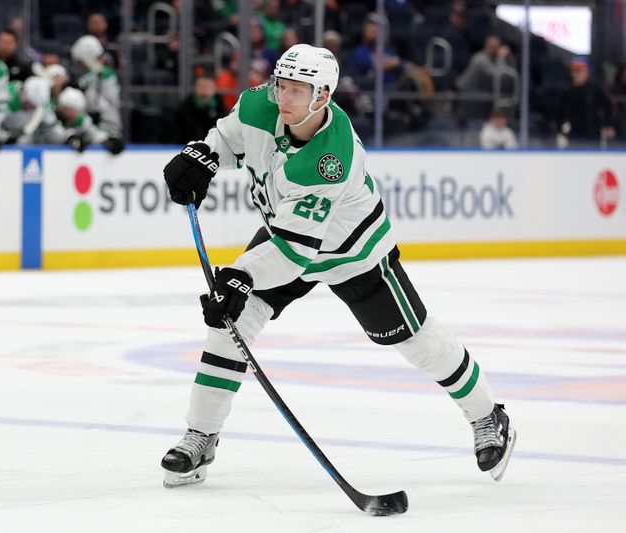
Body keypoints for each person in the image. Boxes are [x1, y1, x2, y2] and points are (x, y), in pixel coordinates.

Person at [160, 44, 516, 488]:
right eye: (280, 85)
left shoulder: (333, 158)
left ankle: (488, 415)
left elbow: (295, 252)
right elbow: (229, 138)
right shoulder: (259, 103)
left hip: (353, 253)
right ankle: (201, 435)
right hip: (284, 234)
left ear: (322, 96)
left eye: (296, 90)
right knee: (230, 322)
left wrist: (242, 276)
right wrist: (203, 155)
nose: (283, 97)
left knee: (415, 341)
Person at [3, 76, 82, 148]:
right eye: (29, 103)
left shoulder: (41, 106)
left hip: (22, 143)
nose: (31, 108)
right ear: (23, 93)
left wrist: (68, 137)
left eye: (34, 106)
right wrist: (4, 137)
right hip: (0, 142)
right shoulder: (4, 97)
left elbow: (51, 128)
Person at [70, 35, 123, 141]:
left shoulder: (107, 75)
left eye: (81, 62)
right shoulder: (88, 77)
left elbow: (107, 103)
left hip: (109, 127)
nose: (80, 66)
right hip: (90, 128)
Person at [556, 57, 616, 147]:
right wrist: (562, 131)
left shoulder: (596, 90)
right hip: (573, 134)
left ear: (587, 72)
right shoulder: (567, 91)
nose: (576, 74)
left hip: (592, 133)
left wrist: (609, 125)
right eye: (574, 70)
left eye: (580, 71)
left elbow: (609, 106)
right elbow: (560, 114)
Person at [56, 87, 124, 154]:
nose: (72, 113)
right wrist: (69, 138)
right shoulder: (57, 118)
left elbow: (93, 134)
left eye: (74, 110)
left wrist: (107, 140)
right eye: (67, 108)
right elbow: (55, 134)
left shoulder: (82, 121)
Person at [175, 68, 226, 143]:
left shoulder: (219, 102)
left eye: (208, 87)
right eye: (201, 86)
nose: (204, 90)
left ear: (214, 88)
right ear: (196, 87)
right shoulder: (187, 104)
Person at [348, 17, 402, 87]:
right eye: (370, 31)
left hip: (392, 90)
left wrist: (395, 63)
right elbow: (355, 77)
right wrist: (377, 68)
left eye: (375, 31)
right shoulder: (359, 52)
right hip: (370, 91)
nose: (374, 33)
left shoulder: (387, 51)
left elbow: (400, 63)